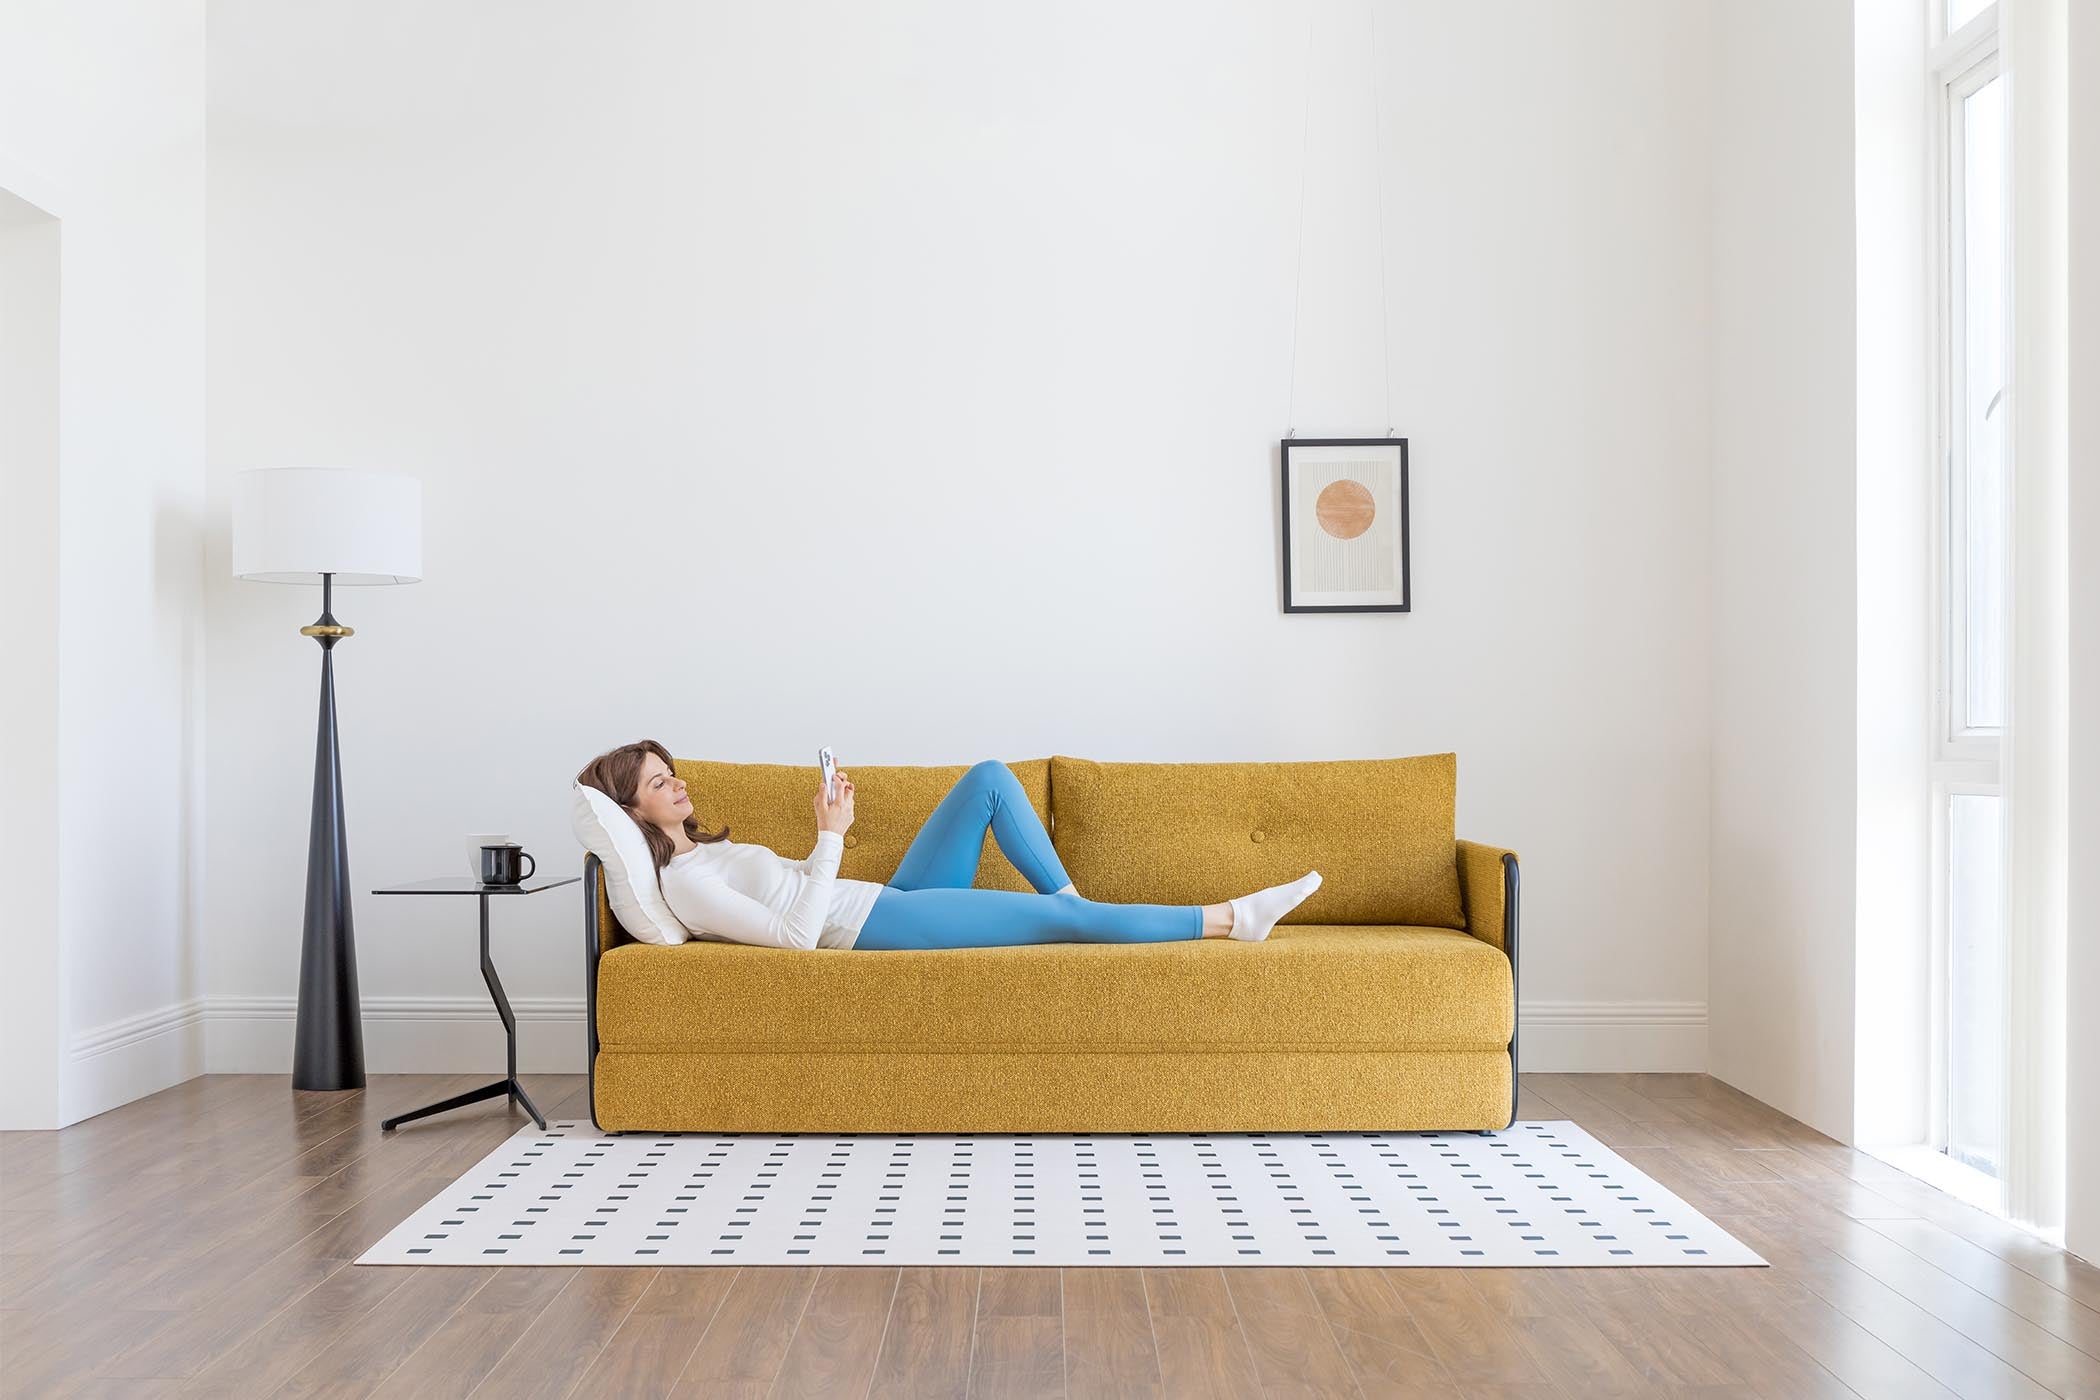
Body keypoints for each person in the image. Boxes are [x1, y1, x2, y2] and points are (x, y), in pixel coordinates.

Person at [574, 740, 1322, 951]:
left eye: (671, 773)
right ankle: (1231, 919)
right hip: (870, 927)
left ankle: (1081, 906)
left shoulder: (708, 856)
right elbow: (798, 938)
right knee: (1062, 928)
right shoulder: (685, 886)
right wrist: (831, 839)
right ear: (628, 807)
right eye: (656, 781)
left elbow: (798, 886)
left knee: (991, 780)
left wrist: (822, 835)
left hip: (882, 900)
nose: (675, 785)